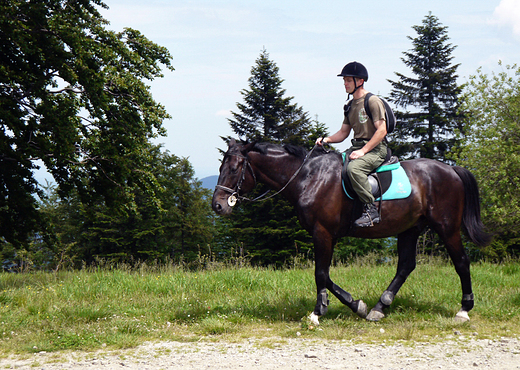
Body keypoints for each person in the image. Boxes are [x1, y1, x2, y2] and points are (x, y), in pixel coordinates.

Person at [316, 61, 387, 227]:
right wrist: (326, 139)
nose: (345, 84)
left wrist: (363, 151)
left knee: (353, 169)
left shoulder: (373, 101)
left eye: (348, 80)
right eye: (344, 81)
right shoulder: (349, 106)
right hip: (356, 147)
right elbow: (343, 133)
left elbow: (382, 131)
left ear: (360, 81)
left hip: (375, 149)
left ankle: (371, 211)